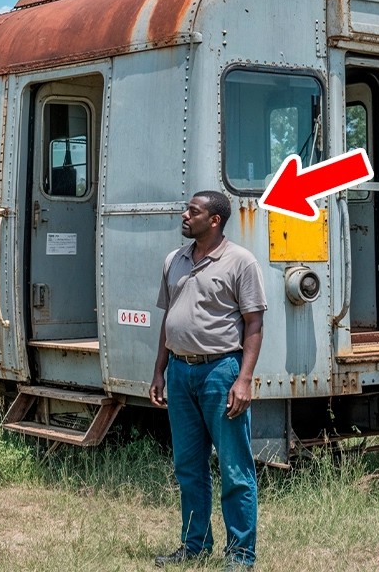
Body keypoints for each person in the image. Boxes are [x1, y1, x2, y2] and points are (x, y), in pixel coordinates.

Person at [149, 190, 266, 571]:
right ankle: (194, 545)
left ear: (214, 220)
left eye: (193, 211)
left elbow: (254, 324)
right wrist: (159, 371)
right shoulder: (174, 260)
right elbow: (169, 320)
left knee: (235, 469)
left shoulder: (241, 262)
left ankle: (241, 556)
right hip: (180, 373)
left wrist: (244, 379)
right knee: (188, 466)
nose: (184, 215)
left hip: (221, 372)